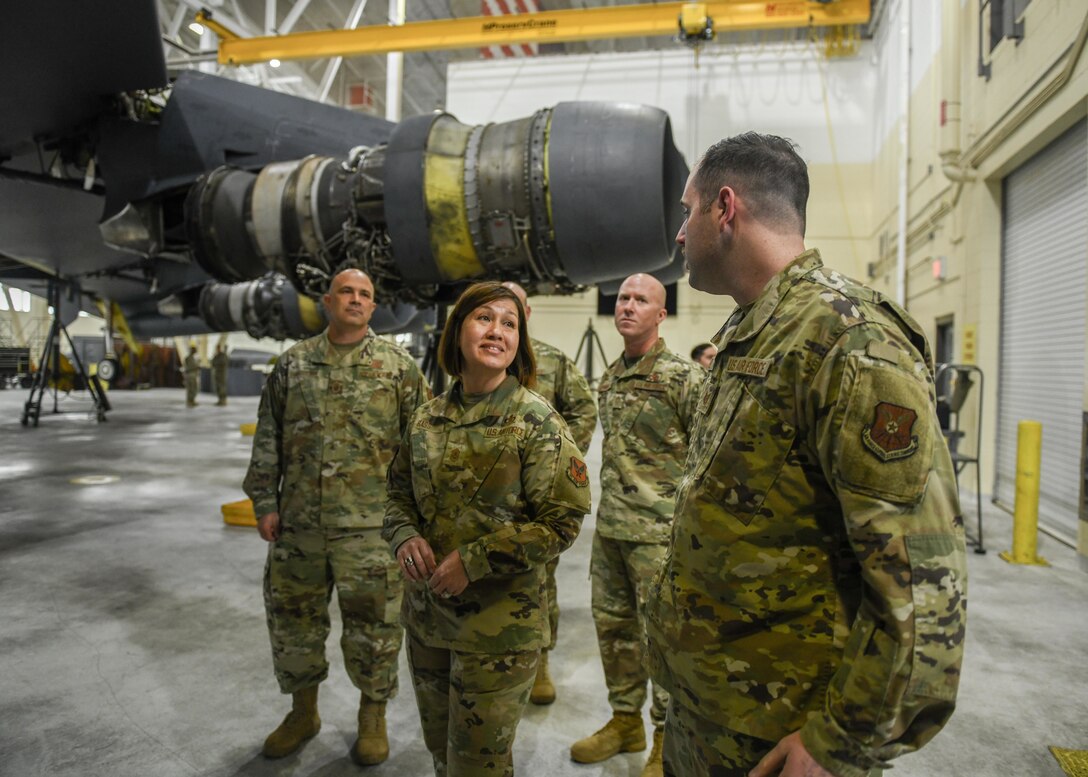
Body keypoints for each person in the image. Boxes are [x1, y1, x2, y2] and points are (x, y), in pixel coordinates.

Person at [644, 133, 968, 777]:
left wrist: (840, 740)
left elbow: (925, 577)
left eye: (686, 211)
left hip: (780, 734)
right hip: (711, 709)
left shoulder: (850, 340)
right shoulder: (753, 330)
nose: (679, 234)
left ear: (724, 208)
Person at [383, 281, 591, 777]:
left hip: (500, 629)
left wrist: (475, 560)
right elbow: (396, 495)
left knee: (478, 765)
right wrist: (404, 535)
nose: (497, 331)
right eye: (484, 318)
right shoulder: (427, 419)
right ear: (457, 330)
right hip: (428, 621)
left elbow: (562, 521)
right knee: (441, 752)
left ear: (520, 341)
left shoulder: (537, 421)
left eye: (509, 323)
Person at [243, 268, 429, 764]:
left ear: (374, 307)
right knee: (293, 624)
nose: (356, 299)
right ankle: (303, 713)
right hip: (298, 526)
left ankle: (372, 716)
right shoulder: (293, 364)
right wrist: (264, 502)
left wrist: (415, 521)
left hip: (371, 531)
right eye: (346, 291)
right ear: (328, 301)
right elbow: (268, 436)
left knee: (376, 630)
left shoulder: (398, 367)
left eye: (365, 294)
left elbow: (422, 446)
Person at [570, 273, 704, 777]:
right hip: (611, 532)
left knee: (661, 640)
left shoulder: (683, 377)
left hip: (660, 537)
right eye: (623, 298)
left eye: (640, 300)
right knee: (615, 631)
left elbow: (707, 456)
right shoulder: (611, 376)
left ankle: (665, 738)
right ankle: (625, 720)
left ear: (661, 314)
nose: (627, 306)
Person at [502, 280, 598, 705]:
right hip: (485, 499)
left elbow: (584, 410)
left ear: (527, 313)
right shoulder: (477, 359)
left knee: (541, 582)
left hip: (537, 502)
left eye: (514, 308)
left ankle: (540, 658)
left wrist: (558, 465)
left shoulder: (553, 362)